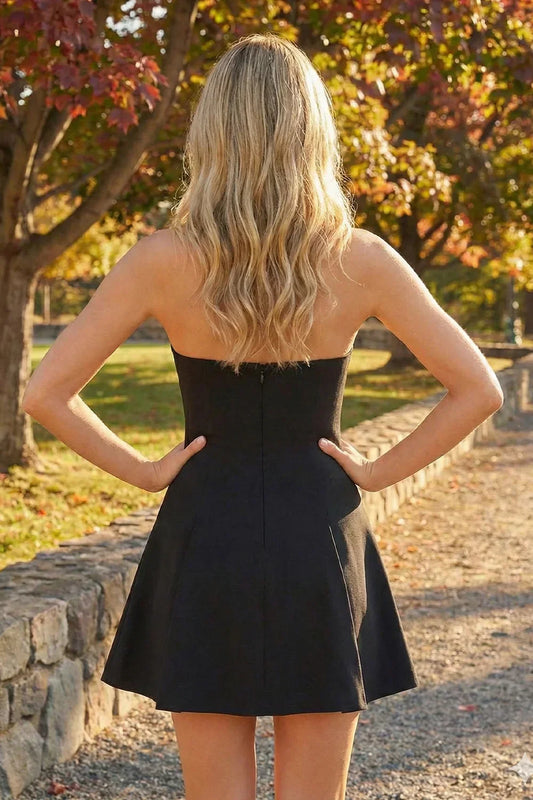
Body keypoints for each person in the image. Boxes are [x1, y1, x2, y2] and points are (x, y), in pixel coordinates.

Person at [23, 32, 504, 800]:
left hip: (203, 528)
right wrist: (375, 472)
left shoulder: (160, 259)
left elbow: (43, 394)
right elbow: (479, 389)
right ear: (312, 133)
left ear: (212, 134)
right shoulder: (361, 259)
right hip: (320, 530)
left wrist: (146, 472)